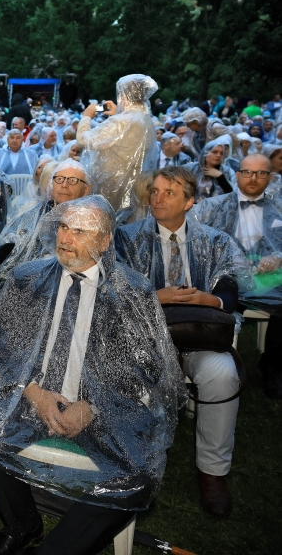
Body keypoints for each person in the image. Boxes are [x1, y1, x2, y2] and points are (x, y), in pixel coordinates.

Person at [0, 195, 186, 555]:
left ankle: (54, 549)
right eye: (64, 227)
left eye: (80, 231)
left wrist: (93, 406)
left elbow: (145, 365)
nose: (66, 238)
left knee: (138, 477)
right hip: (32, 398)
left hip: (105, 409)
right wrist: (32, 392)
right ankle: (23, 524)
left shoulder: (132, 291)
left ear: (104, 241)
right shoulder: (27, 279)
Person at [116, 166, 246, 518]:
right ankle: (135, 465)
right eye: (154, 191)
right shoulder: (126, 238)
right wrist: (158, 296)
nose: (157, 198)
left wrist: (209, 300)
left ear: (190, 201)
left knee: (222, 375)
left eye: (168, 193)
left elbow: (230, 290)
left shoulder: (215, 240)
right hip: (147, 338)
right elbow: (115, 291)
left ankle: (213, 472)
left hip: (201, 334)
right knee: (135, 375)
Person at [192, 153, 282, 401]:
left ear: (270, 177)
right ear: (237, 174)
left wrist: (278, 257)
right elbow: (194, 238)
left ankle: (272, 366)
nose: (253, 178)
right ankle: (214, 364)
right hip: (225, 278)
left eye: (260, 173)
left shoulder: (279, 207)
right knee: (218, 300)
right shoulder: (213, 206)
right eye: (247, 172)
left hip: (268, 279)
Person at [0, 160, 93, 287]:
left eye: (73, 180)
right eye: (59, 179)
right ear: (52, 184)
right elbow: (5, 259)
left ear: (86, 189)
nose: (64, 185)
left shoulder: (94, 222)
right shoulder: (31, 216)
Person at [78, 74, 160, 210]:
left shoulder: (122, 121)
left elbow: (84, 139)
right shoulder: (145, 119)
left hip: (111, 187)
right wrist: (118, 113)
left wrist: (87, 116)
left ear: (123, 94)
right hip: (135, 187)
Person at [183, 135, 236, 202]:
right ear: (205, 152)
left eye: (221, 153)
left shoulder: (228, 171)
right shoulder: (189, 168)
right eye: (214, 152)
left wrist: (220, 177)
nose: (218, 155)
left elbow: (232, 196)